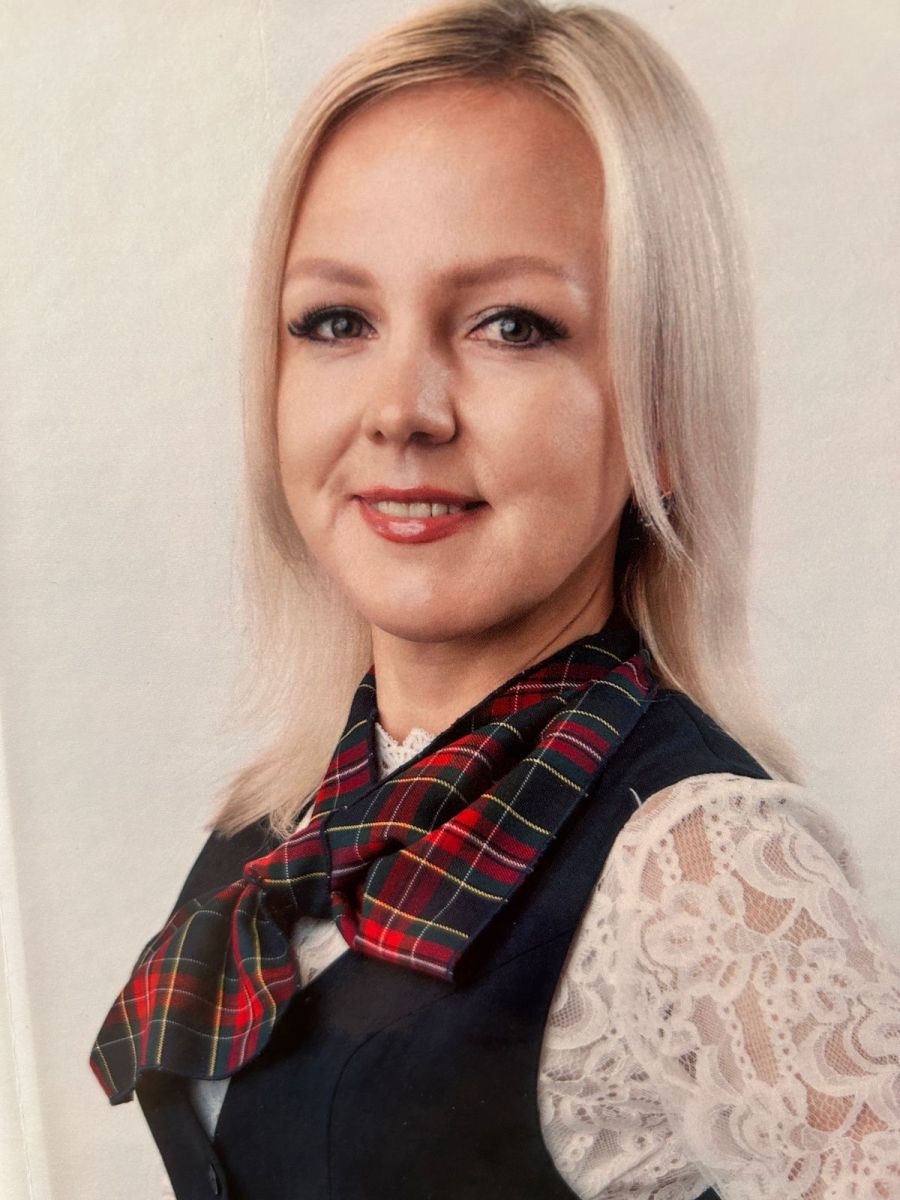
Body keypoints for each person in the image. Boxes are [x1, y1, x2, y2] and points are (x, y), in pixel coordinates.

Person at [90, 1, 900, 1197]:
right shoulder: (294, 807)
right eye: (337, 321)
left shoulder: (705, 866)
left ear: (664, 408)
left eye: (512, 325)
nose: (401, 409)